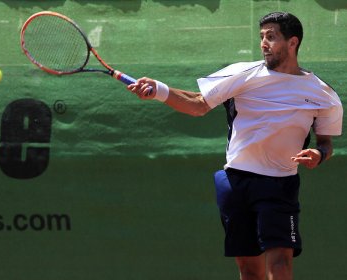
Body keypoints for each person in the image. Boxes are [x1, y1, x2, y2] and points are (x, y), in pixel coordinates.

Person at [127, 12, 343, 280]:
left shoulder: (322, 94)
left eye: (271, 37)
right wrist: (159, 89)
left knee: (281, 265)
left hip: (280, 184)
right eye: (262, 37)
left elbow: (326, 142)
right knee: (249, 271)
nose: (264, 43)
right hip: (236, 182)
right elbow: (198, 104)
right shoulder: (243, 74)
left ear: (293, 42)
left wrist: (319, 155)